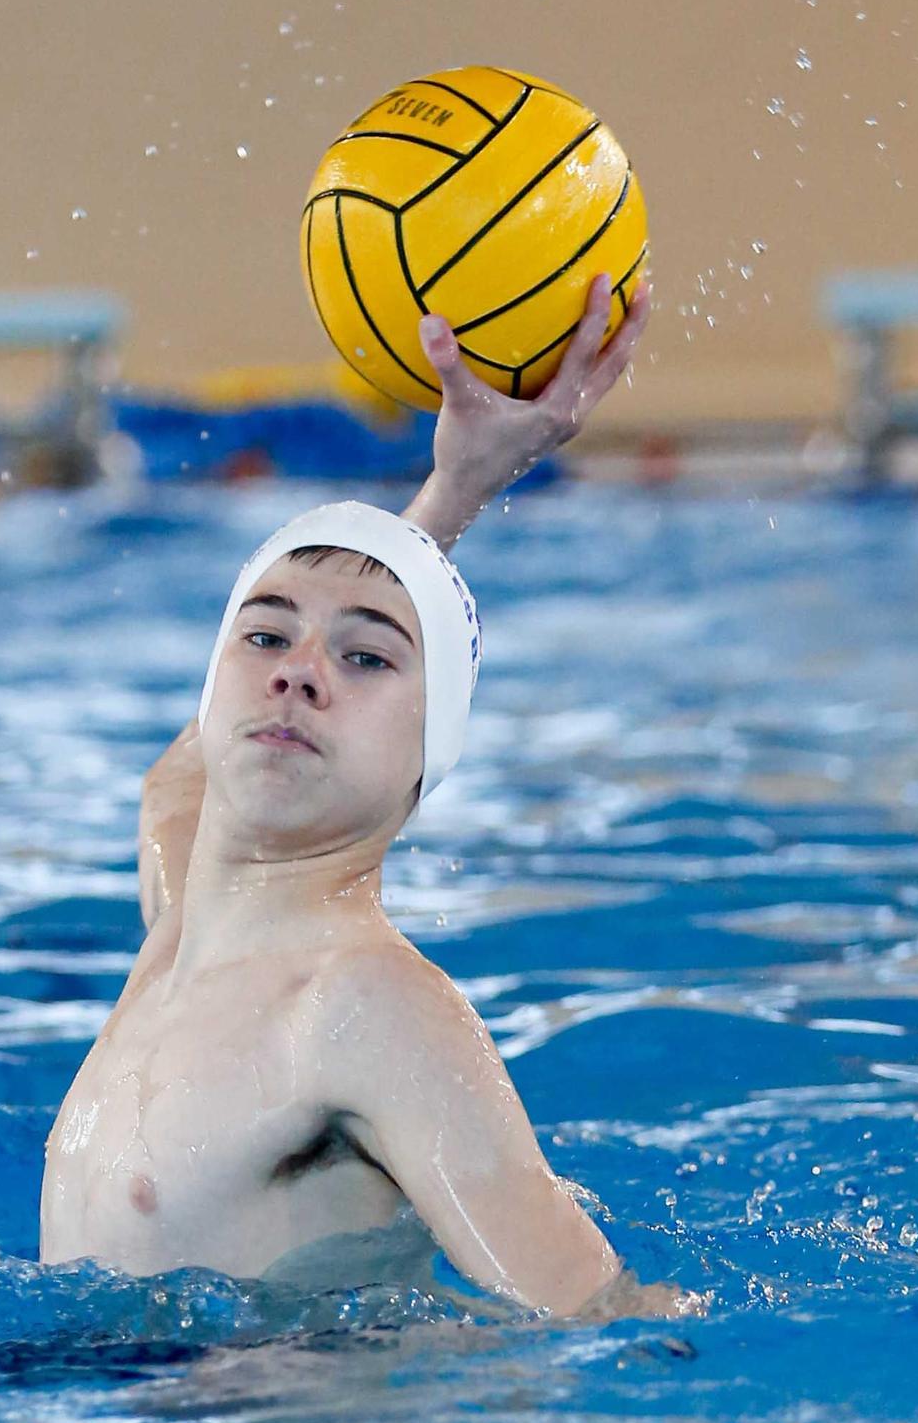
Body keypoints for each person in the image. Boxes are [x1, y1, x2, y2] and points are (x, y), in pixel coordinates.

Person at [41, 274, 696, 1320]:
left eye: (366, 655)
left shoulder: (362, 1007)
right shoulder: (175, 934)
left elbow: (596, 1315)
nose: (298, 671)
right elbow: (178, 773)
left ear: (426, 757)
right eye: (264, 635)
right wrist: (448, 497)